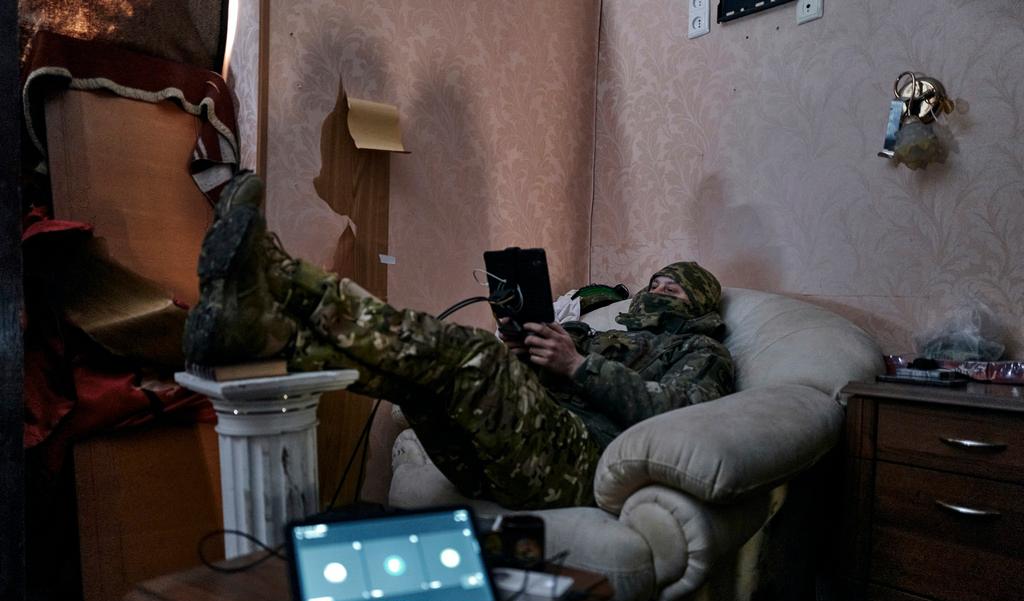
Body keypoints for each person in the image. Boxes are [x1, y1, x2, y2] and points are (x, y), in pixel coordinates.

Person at [184, 171, 734, 510]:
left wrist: (576, 367)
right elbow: (549, 381)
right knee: (420, 381)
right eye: (655, 282)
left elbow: (678, 413)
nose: (659, 292)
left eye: (675, 290)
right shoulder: (606, 330)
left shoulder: (700, 353)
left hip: (575, 466)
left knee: (474, 354)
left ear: (701, 307)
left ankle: (283, 277)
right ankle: (268, 335)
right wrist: (532, 355)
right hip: (513, 451)